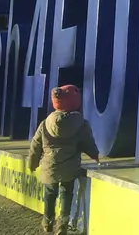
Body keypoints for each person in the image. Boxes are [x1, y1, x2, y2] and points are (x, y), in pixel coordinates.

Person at [28, 85, 99, 235]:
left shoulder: (45, 123)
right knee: (66, 193)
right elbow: (88, 142)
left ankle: (48, 220)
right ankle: (63, 225)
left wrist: (32, 163)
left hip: (50, 166)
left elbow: (35, 145)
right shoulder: (80, 123)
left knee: (50, 193)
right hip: (70, 167)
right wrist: (95, 155)